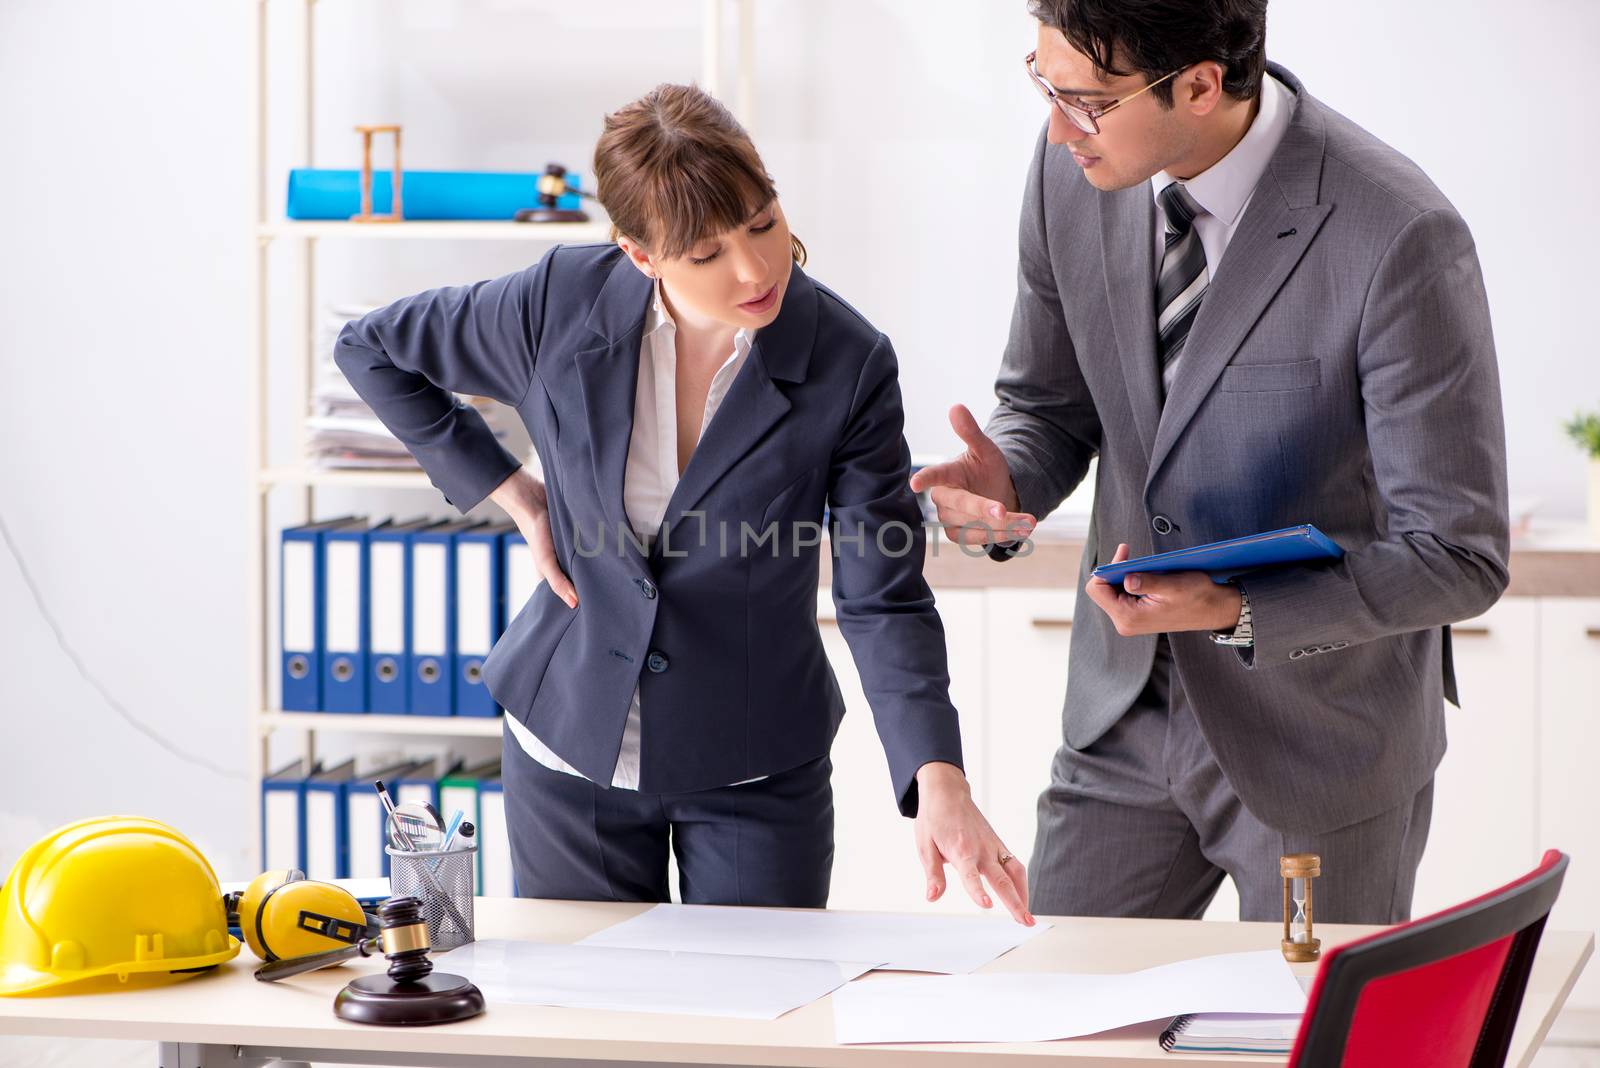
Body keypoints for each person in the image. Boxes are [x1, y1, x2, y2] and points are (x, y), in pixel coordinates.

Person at [336, 84, 1031, 922]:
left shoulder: (848, 363)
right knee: (594, 1036)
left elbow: (881, 592)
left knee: (754, 1031)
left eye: (764, 223)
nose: (754, 269)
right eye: (706, 255)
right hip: (568, 749)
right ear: (640, 253)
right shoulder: (556, 303)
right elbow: (371, 348)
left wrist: (939, 780)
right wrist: (513, 493)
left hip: (754, 764)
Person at [911, 0, 1508, 924]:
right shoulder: (1070, 170)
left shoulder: (1397, 232)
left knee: (1307, 1041)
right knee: (1055, 1024)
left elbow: (1458, 552)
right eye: (1044, 83)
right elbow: (1049, 407)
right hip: (1120, 718)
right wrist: (1009, 481)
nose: (1058, 125)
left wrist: (1237, 606)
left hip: (1322, 738)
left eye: (1088, 100)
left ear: (1198, 83)